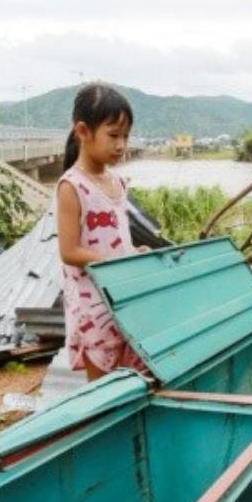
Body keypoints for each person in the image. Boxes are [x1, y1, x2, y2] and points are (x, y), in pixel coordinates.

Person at [57, 83, 147, 381]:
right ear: (83, 132)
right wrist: (118, 264)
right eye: (113, 135)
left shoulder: (118, 183)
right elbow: (69, 251)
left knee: (133, 378)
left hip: (122, 298)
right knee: (102, 389)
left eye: (125, 136)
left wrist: (134, 255)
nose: (121, 145)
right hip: (92, 307)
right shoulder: (72, 187)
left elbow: (118, 240)